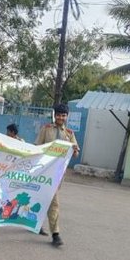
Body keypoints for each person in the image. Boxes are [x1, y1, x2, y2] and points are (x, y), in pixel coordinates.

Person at [35, 103, 80, 246]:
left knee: (46, 199)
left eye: (63, 115)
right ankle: (56, 234)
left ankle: (36, 225)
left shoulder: (69, 134)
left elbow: (75, 153)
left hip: (58, 174)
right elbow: (37, 147)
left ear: (67, 117)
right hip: (44, 172)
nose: (61, 117)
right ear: (55, 115)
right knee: (52, 201)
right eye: (59, 115)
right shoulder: (46, 129)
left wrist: (74, 150)